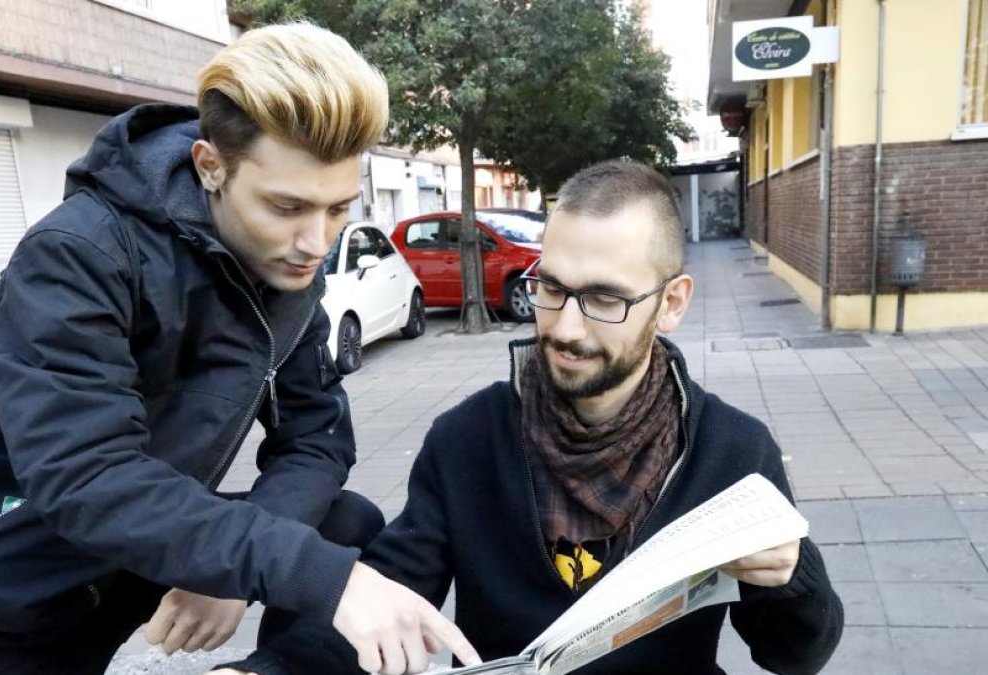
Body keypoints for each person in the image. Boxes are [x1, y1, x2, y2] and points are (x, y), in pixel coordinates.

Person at [0, 22, 478, 674]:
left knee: (340, 522)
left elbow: (317, 436)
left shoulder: (290, 270)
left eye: (337, 209)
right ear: (209, 166)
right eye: (286, 206)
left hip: (116, 561)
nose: (315, 240)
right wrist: (314, 575)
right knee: (315, 564)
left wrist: (234, 575)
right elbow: (88, 476)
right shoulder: (79, 253)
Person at [213, 160, 844, 675]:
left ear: (671, 303)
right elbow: (386, 598)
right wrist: (266, 670)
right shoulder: (468, 439)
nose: (566, 328)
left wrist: (791, 574)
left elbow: (794, 654)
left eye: (603, 299)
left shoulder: (731, 451)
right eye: (552, 288)